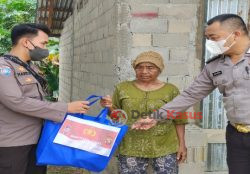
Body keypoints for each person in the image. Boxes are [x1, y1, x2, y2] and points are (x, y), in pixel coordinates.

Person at [132, 14, 250, 174]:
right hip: (236, 135)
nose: (210, 43)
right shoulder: (214, 66)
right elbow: (190, 95)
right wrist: (155, 117)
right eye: (207, 38)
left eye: (214, 38)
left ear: (236, 34)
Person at [0, 23, 91, 174]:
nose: (45, 49)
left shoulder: (31, 67)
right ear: (26, 42)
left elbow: (38, 100)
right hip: (13, 143)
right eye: (43, 43)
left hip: (38, 138)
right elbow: (16, 101)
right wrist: (64, 107)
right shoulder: (4, 68)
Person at [101, 51, 188, 174]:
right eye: (139, 67)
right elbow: (117, 117)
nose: (144, 71)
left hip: (165, 145)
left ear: (159, 69)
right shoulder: (122, 88)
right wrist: (109, 107)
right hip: (130, 145)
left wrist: (182, 145)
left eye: (150, 68)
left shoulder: (170, 90)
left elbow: (179, 119)